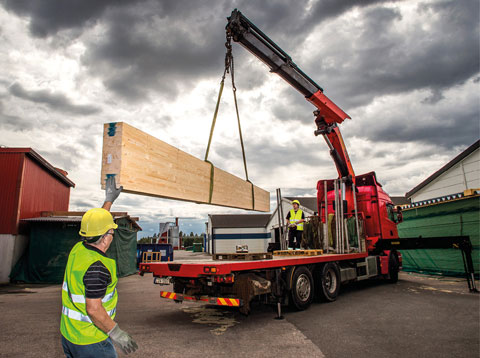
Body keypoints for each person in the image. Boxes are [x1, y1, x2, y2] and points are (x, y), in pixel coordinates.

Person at [60, 177, 138, 357]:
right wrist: (117, 334)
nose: (112, 234)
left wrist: (109, 200)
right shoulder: (98, 268)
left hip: (70, 334)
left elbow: (97, 225)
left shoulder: (78, 249)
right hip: (91, 341)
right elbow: (93, 309)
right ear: (105, 237)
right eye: (112, 232)